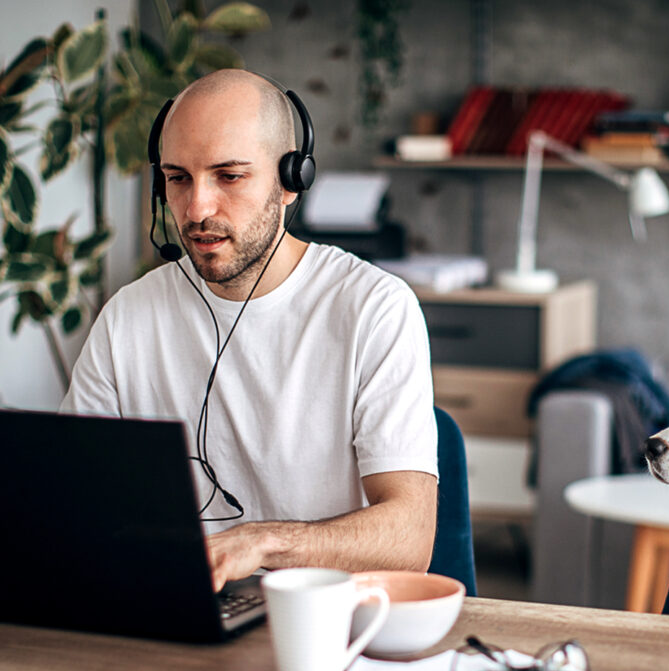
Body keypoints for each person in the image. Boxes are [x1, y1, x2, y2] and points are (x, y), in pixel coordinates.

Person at [61, 69, 439, 591]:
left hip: (324, 624)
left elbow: (409, 540)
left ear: (291, 180)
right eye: (177, 178)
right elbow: (70, 500)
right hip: (175, 606)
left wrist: (261, 543)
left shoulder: (374, 307)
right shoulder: (129, 315)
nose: (196, 209)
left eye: (229, 176)